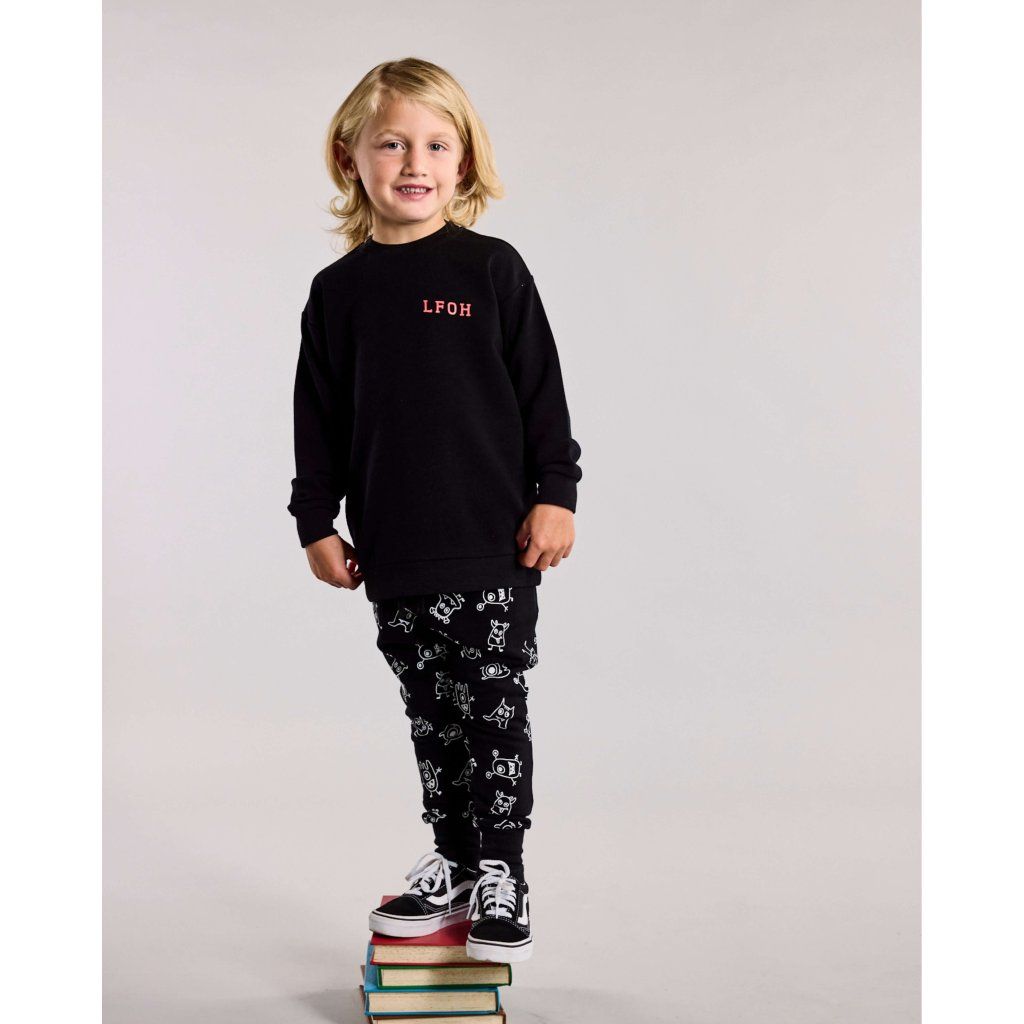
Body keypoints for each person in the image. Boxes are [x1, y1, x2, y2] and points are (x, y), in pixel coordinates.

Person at [287, 57, 582, 964]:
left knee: (492, 709)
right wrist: (314, 521)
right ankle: (454, 860)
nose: (414, 162)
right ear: (350, 158)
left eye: (436, 145)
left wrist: (557, 494)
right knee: (433, 715)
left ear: (464, 162)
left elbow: (542, 394)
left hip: (494, 546)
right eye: (392, 143)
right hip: (395, 552)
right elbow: (317, 418)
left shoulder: (492, 270)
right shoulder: (337, 294)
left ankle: (503, 871)